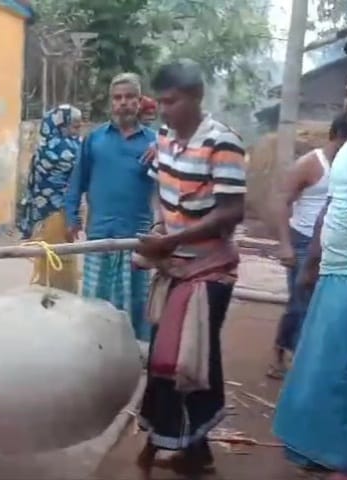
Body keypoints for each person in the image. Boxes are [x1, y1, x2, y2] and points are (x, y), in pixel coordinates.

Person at [134, 59, 247, 477]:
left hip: (209, 271)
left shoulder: (223, 143)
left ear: (196, 97)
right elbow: (161, 190)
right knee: (184, 364)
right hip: (175, 268)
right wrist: (159, 230)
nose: (164, 110)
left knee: (180, 362)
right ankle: (196, 453)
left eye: (172, 101)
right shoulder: (164, 138)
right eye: (160, 101)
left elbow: (232, 212)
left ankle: (160, 448)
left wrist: (171, 240)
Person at [273, 135, 347, 480]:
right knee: (328, 369)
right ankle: (333, 454)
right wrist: (311, 265)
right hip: (334, 273)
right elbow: (331, 207)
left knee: (345, 372)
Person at [65, 73, 157, 342]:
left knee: (135, 307)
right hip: (100, 235)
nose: (123, 103)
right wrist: (72, 215)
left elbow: (172, 186)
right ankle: (94, 353)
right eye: (117, 98)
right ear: (111, 103)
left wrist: (165, 152)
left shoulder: (155, 143)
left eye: (129, 97)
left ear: (139, 102)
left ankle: (135, 362)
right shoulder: (95, 139)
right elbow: (78, 180)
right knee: (95, 304)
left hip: (137, 237)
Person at [268, 113, 347, 379]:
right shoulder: (311, 163)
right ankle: (283, 354)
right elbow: (281, 200)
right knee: (300, 302)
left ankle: (303, 359)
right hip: (305, 239)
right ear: (339, 136)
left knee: (320, 305)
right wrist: (285, 245)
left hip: (333, 242)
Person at [18, 105, 83, 293]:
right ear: (61, 125)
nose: (78, 132)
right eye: (75, 127)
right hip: (57, 213)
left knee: (51, 256)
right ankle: (59, 297)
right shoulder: (64, 149)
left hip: (46, 212)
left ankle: (48, 294)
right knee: (59, 258)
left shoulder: (44, 147)